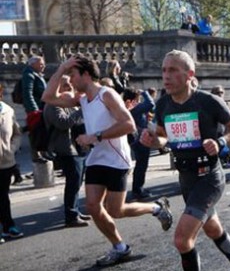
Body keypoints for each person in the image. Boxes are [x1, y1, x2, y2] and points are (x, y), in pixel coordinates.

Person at [41, 55, 173, 266]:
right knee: (93, 206)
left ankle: (156, 208)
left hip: (116, 159)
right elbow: (48, 97)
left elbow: (129, 125)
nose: (71, 81)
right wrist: (63, 68)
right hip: (96, 159)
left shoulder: (107, 94)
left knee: (116, 210)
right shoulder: (82, 99)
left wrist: (96, 136)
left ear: (85, 74)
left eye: (73, 75)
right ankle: (120, 247)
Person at [139, 50, 230, 271]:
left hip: (209, 177)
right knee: (212, 228)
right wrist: (153, 141)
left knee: (182, 239)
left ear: (190, 74)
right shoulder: (162, 105)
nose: (166, 76)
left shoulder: (208, 101)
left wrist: (221, 142)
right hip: (186, 177)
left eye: (173, 70)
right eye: (164, 70)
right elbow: (163, 137)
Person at [43, 75, 90, 227]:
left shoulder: (68, 103)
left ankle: (75, 210)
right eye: (65, 84)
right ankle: (71, 216)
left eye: (70, 83)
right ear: (57, 87)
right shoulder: (53, 105)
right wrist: (80, 110)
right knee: (73, 182)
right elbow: (63, 123)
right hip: (66, 149)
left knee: (77, 182)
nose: (69, 86)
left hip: (77, 148)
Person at [0, 83, 24, 242]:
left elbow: (17, 133)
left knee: (3, 196)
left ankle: (9, 226)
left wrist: (12, 148)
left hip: (5, 161)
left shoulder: (8, 111)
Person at [123, 88, 156, 200]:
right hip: (140, 140)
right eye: (138, 99)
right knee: (141, 166)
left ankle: (138, 188)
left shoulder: (130, 108)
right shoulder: (134, 109)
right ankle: (138, 190)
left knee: (141, 165)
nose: (139, 101)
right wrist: (144, 93)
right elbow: (151, 103)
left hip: (137, 139)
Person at [22, 55, 48, 163]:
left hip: (40, 108)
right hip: (35, 109)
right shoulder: (29, 74)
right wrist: (34, 109)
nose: (43, 66)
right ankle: (36, 155)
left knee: (40, 131)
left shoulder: (36, 74)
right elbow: (27, 93)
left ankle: (42, 153)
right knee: (34, 131)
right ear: (33, 64)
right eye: (41, 63)